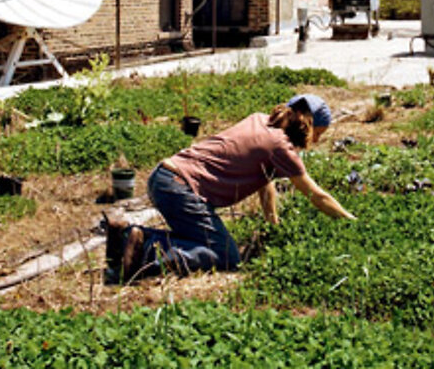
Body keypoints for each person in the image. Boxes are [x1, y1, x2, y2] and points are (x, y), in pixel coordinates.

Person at [107, 93, 355, 283]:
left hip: (164, 177)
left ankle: (129, 237)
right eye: (318, 134)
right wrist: (351, 222)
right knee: (226, 255)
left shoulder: (260, 120)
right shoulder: (281, 147)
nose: (317, 141)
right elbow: (317, 196)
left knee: (199, 241)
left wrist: (273, 223)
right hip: (180, 188)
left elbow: (264, 181)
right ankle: (146, 250)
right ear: (308, 124)